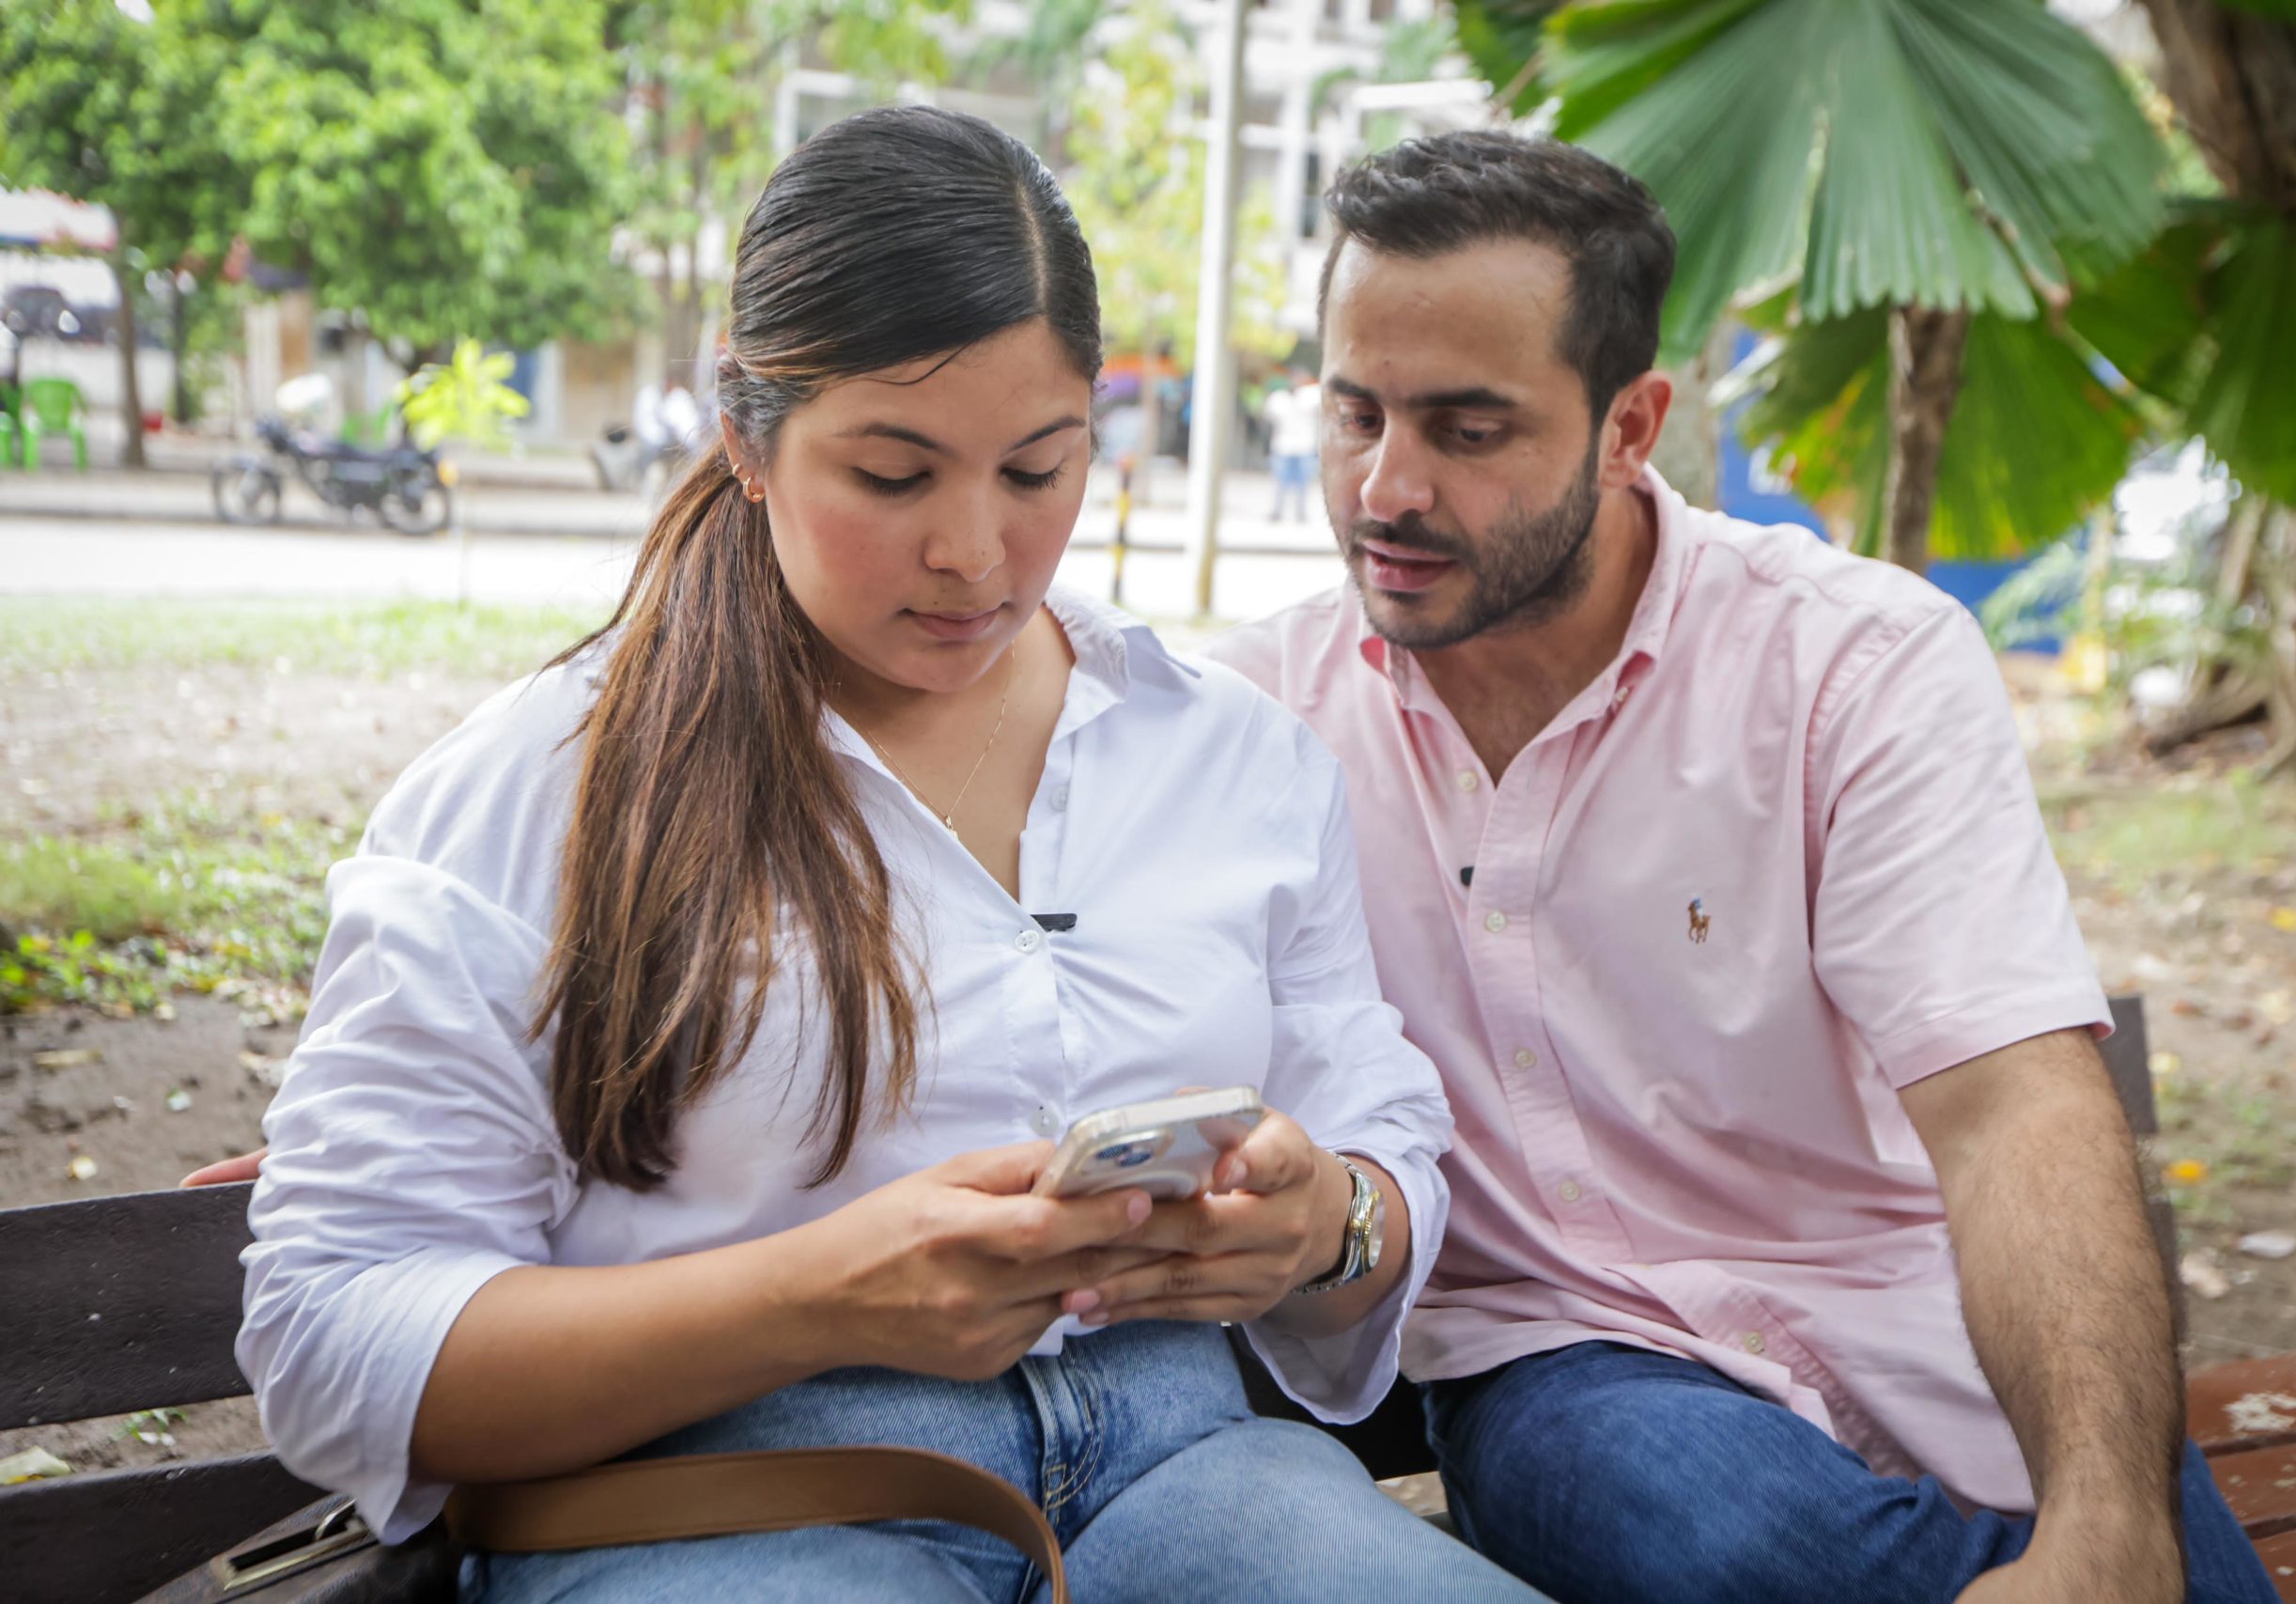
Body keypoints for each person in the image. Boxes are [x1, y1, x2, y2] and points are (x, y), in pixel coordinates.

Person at [227, 107, 1542, 1604]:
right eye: (895, 475)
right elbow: (335, 1335)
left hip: (1193, 1470)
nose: (976, 552)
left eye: (1038, 470)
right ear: (747, 437)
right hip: (732, 1505)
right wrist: (811, 1299)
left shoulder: (1225, 752)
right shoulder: (542, 786)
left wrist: (1330, 1222)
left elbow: (1373, 1124)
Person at [1208, 132, 2281, 1604]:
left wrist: (2107, 1521)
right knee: (1734, 1552)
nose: (1385, 487)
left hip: (1921, 1322)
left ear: (1631, 425)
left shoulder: (1851, 666)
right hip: (1556, 1352)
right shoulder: (1254, 723)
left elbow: (2012, 1102)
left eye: (1468, 429)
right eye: (1354, 412)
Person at [1264, 374, 1322, 523]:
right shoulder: (1279, 399)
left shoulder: (1310, 396)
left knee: (1303, 483)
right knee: (1280, 482)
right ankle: (1277, 511)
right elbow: (1269, 416)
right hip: (1283, 446)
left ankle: (1301, 512)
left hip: (1304, 447)